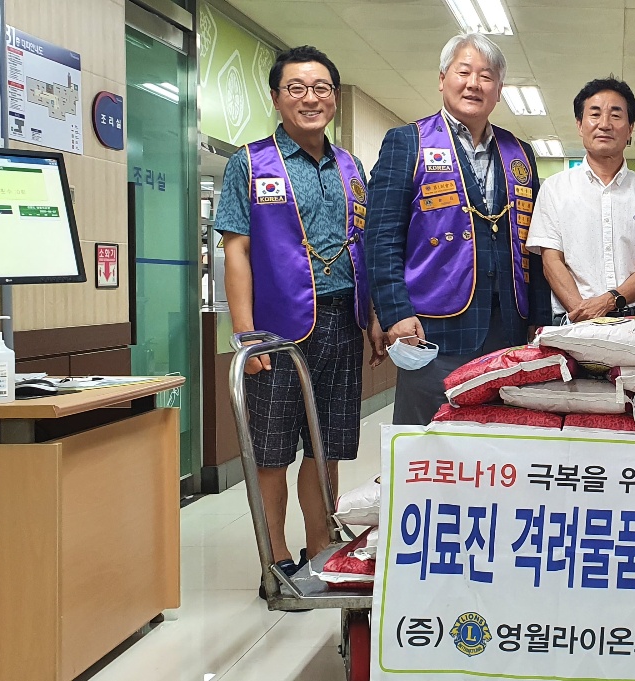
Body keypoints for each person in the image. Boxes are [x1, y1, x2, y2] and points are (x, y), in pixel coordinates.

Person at [217, 46, 385, 593]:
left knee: (327, 446)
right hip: (276, 332)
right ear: (276, 97)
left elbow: (363, 247)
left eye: (321, 88)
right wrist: (246, 335)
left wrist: (373, 316)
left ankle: (320, 547)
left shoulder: (350, 168)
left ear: (333, 97)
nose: (310, 98)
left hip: (343, 321)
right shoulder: (251, 163)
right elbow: (237, 251)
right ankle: (276, 558)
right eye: (296, 88)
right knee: (271, 452)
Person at [366, 32, 552, 425]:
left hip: (508, 328)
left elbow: (533, 244)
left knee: (498, 439)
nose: (473, 84)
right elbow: (381, 238)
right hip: (433, 325)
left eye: (486, 76)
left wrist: (539, 317)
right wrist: (394, 313)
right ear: (442, 79)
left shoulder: (519, 152)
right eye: (463, 72)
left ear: (498, 90)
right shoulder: (408, 142)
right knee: (429, 440)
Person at [527, 78, 635, 322]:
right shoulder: (554, 189)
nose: (605, 124)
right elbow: (551, 260)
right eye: (595, 114)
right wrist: (582, 312)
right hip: (574, 321)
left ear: (630, 128)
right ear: (580, 125)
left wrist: (609, 301)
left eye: (616, 115)